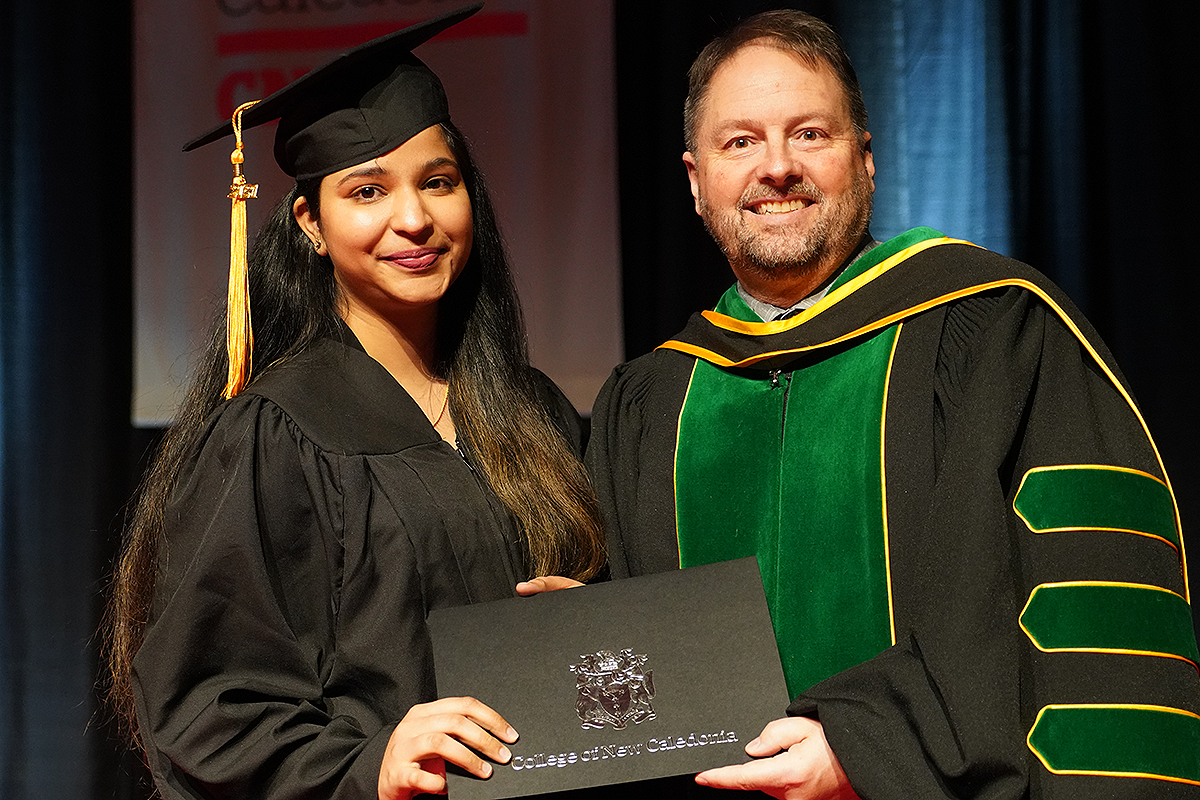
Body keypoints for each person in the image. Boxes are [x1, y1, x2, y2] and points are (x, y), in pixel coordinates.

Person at [587, 9, 1200, 800]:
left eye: (810, 134)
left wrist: (867, 747)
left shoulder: (995, 333)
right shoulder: (650, 401)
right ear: (696, 180)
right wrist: (590, 624)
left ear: (866, 160)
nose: (778, 167)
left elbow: (1087, 617)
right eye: (740, 142)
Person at [104, 5, 605, 798]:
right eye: (368, 191)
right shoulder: (276, 433)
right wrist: (374, 761)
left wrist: (594, 621)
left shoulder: (532, 411)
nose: (414, 219)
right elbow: (208, 706)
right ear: (311, 222)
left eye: (438, 182)